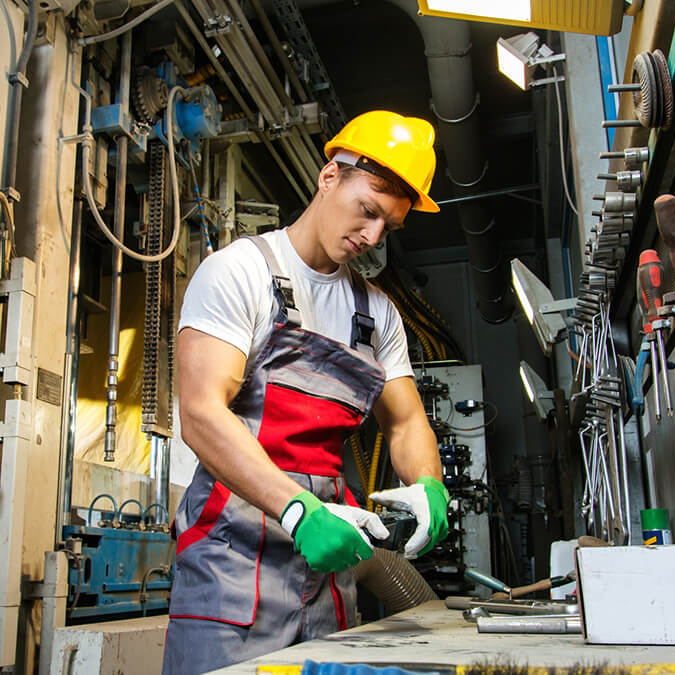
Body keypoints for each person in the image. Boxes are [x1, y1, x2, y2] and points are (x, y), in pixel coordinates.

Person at [163, 110, 450, 674]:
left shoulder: (378, 314)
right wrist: (299, 511)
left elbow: (406, 423)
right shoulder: (238, 273)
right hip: (230, 563)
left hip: (327, 574)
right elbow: (200, 414)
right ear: (329, 178)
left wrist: (430, 487)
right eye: (367, 211)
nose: (370, 237)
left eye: (386, 227)